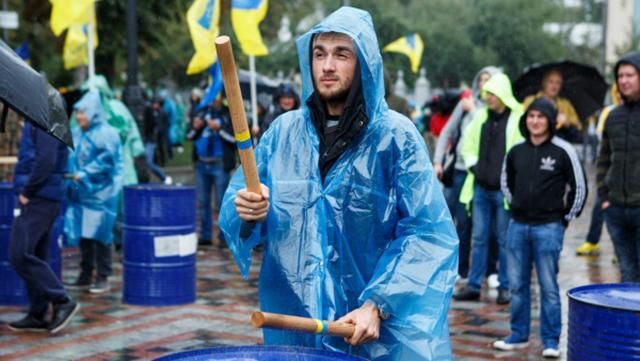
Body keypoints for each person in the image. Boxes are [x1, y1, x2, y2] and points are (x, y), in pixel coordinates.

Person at [219, 7, 458, 360]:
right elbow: (242, 215)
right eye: (319, 54)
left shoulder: (396, 138)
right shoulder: (283, 134)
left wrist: (377, 303)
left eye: (341, 54)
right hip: (296, 326)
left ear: (364, 63)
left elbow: (427, 233)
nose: (327, 65)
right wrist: (249, 212)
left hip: (372, 333)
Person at [496, 97, 587, 358]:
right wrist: (519, 207)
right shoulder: (516, 150)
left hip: (549, 228)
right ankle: (518, 335)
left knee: (548, 286)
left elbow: (579, 188)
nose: (535, 121)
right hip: (518, 227)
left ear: (550, 120)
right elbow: (506, 183)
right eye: (531, 116)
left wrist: (564, 218)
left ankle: (550, 340)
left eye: (541, 116)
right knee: (517, 284)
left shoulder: (563, 150)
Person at [453, 73, 524, 304]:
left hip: (503, 191)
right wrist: (474, 166)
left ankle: (505, 287)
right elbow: (468, 144)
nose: (488, 97)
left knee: (504, 240)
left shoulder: (516, 118)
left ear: (503, 93)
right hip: (481, 189)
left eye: (492, 93)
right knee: (479, 239)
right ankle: (474, 285)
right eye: (487, 93)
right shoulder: (481, 117)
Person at [8, 120, 79, 334]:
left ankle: (62, 299)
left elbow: (46, 161)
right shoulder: (39, 121)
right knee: (37, 253)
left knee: (19, 254)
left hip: (39, 197)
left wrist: (27, 192)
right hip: (43, 197)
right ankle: (38, 313)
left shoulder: (44, 121)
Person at [433, 66, 501, 280]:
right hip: (461, 170)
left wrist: (472, 110)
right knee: (460, 222)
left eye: (488, 80)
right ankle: (460, 268)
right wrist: (438, 160)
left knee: (487, 227)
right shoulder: (465, 104)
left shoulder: (494, 109)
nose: (483, 84)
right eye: (481, 80)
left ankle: (490, 269)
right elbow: (447, 132)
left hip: (484, 173)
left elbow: (483, 129)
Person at [64, 90, 124, 293]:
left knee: (101, 233)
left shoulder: (107, 134)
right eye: (78, 112)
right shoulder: (78, 131)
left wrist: (84, 173)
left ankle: (103, 276)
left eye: (83, 112)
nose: (79, 116)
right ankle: (86, 273)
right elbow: (71, 155)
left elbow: (108, 161)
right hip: (82, 192)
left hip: (102, 193)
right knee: (84, 233)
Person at [597, 51, 640, 282]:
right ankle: (633, 319)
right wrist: (604, 195)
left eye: (630, 75)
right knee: (627, 274)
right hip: (615, 209)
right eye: (620, 75)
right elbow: (603, 158)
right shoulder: (613, 116)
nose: (623, 80)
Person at [575, 84, 622, 256]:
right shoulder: (609, 112)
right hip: (610, 171)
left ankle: (620, 250)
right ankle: (592, 241)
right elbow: (604, 139)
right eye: (616, 91)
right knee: (599, 207)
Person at [188, 96, 236, 247]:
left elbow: (235, 139)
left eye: (217, 95)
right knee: (203, 202)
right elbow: (188, 136)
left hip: (220, 164)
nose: (213, 98)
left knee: (222, 202)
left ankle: (224, 237)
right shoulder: (201, 113)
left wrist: (219, 129)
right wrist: (196, 127)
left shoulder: (229, 113)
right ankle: (205, 235)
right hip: (202, 163)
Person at [523, 69, 582, 143]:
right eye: (551, 82)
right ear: (544, 83)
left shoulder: (566, 104)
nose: (554, 86)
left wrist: (567, 123)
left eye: (558, 83)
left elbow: (577, 131)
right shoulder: (531, 101)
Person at [143, 97, 172, 184]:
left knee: (149, 162)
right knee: (147, 161)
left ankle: (163, 177)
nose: (154, 105)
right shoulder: (151, 111)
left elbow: (162, 125)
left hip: (152, 139)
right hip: (150, 138)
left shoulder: (159, 113)